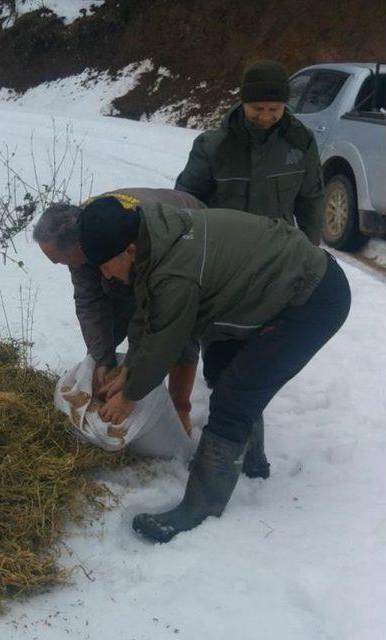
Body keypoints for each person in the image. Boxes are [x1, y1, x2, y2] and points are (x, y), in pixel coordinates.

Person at [74, 195, 350, 543]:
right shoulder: (152, 239)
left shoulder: (174, 267)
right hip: (268, 290)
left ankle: (200, 508)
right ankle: (247, 462)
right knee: (222, 363)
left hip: (311, 298)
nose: (104, 274)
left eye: (104, 265)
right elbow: (148, 314)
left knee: (236, 396)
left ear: (128, 250)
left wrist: (129, 396)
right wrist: (129, 367)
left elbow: (166, 340)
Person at [174, 59, 325, 478]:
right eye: (257, 108)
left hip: (276, 267)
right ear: (242, 104)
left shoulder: (300, 143)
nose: (265, 117)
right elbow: (186, 198)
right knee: (221, 357)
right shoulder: (214, 145)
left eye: (274, 109)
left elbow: (312, 199)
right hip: (223, 266)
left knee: (254, 361)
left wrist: (311, 252)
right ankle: (217, 437)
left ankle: (245, 450)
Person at [33, 188, 203, 434]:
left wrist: (131, 379)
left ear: (80, 246)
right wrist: (103, 359)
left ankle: (179, 408)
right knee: (109, 326)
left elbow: (153, 315)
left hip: (188, 233)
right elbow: (89, 301)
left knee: (178, 328)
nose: (59, 265)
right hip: (125, 260)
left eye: (60, 260)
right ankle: (113, 378)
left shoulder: (123, 235)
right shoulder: (84, 235)